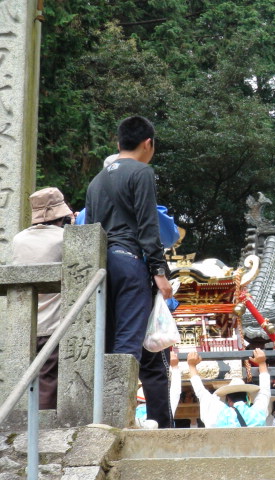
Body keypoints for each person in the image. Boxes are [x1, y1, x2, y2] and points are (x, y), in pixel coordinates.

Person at [85, 115, 174, 428]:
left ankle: (102, 413)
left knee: (109, 339)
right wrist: (160, 272)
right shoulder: (142, 172)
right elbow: (148, 226)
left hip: (101, 266)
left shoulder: (96, 181)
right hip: (131, 263)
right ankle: (119, 419)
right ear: (148, 143)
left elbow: (90, 229)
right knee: (129, 342)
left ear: (117, 142)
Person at [11, 187, 74, 409]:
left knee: (29, 380)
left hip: (25, 324)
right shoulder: (64, 238)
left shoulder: (19, 239)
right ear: (62, 214)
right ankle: (44, 434)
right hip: (53, 321)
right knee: (49, 379)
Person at [187, 349, 270, 427]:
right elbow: (264, 391)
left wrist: (192, 365)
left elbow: (201, 392)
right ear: (247, 397)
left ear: (228, 399)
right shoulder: (257, 414)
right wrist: (262, 363)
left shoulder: (218, 413)